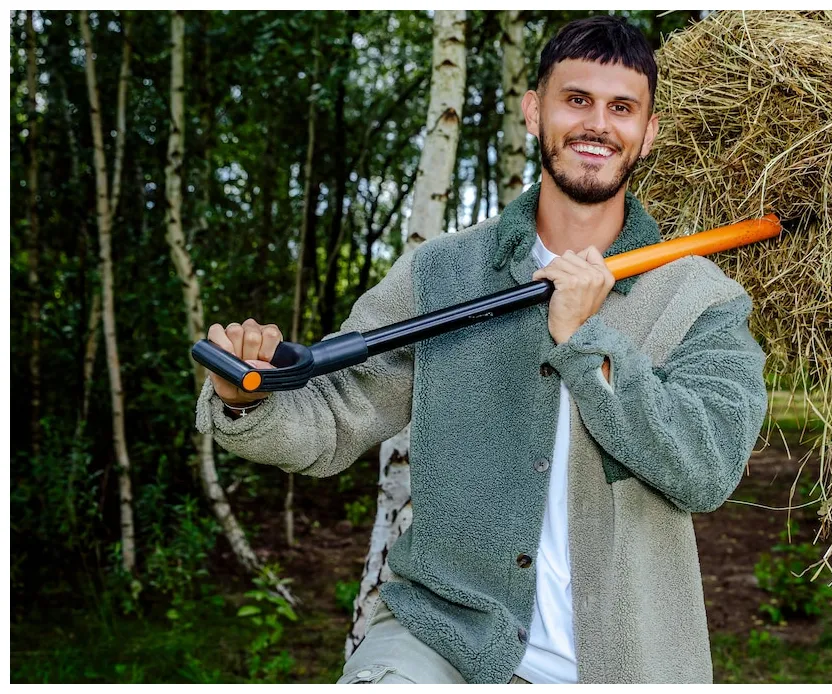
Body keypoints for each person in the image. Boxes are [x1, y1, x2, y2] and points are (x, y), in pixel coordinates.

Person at [196, 15, 767, 684]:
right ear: (534, 111)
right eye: (575, 99)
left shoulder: (701, 299)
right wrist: (248, 401)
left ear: (648, 133)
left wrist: (585, 339)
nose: (598, 124)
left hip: (623, 659)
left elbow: (704, 470)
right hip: (442, 637)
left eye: (622, 108)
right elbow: (331, 420)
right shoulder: (441, 273)